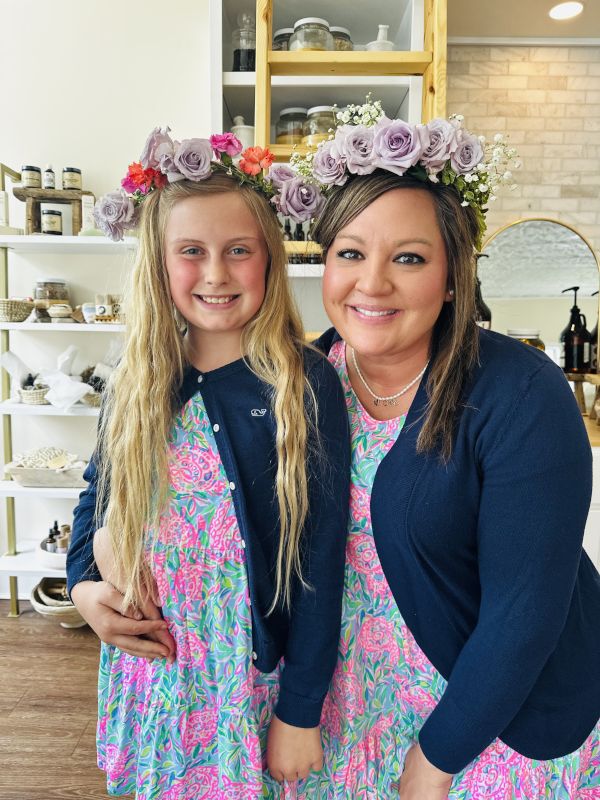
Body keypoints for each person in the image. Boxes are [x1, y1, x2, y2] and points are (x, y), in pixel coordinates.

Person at [274, 105, 600, 798]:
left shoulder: (520, 393)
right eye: (351, 253)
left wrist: (437, 758)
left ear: (454, 278)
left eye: (410, 258)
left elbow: (525, 610)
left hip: (493, 721)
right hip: (345, 712)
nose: (372, 283)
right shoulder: (299, 380)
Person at [66, 127, 350, 800]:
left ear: (269, 261)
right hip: (157, 676)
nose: (216, 272)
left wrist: (301, 708)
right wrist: (83, 587)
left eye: (239, 251)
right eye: (191, 252)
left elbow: (324, 552)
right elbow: (94, 502)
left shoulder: (304, 383)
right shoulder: (136, 378)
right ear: (159, 263)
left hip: (252, 680)